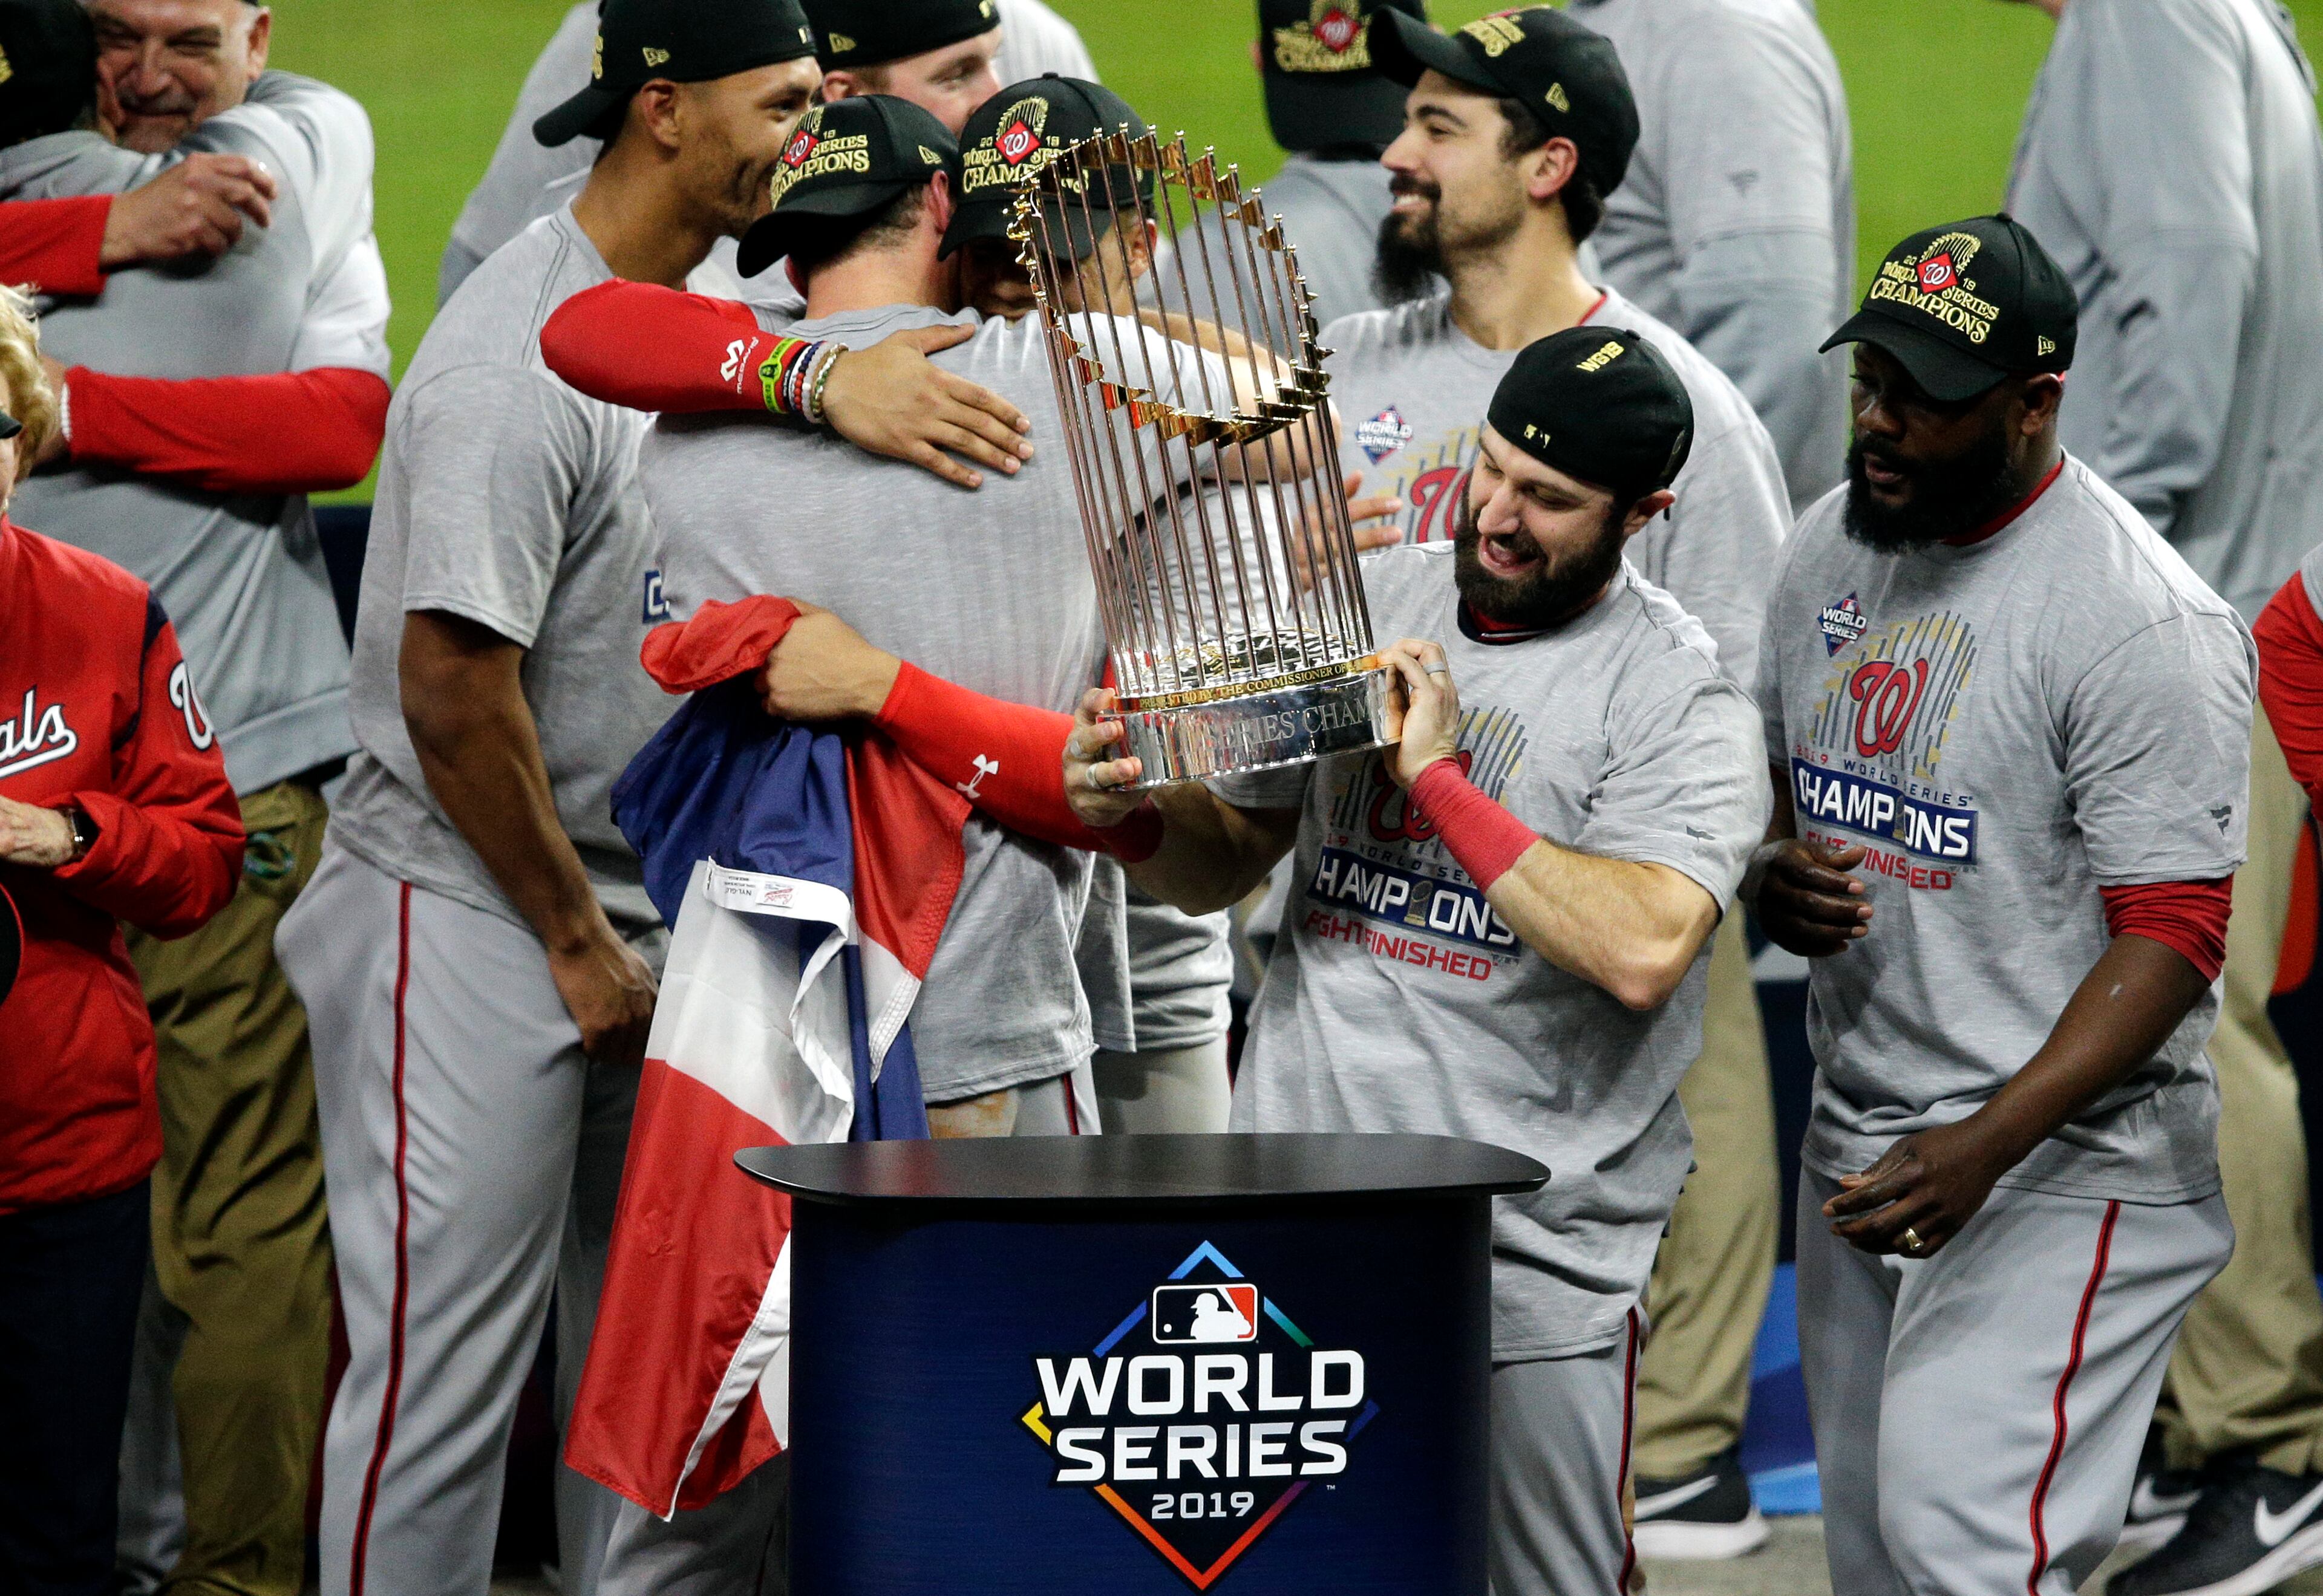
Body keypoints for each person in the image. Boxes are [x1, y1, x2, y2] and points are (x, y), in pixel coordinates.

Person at [1060, 325, 1768, 1596]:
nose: (1496, 517)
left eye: (1547, 500)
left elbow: (1647, 943)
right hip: (1295, 1216)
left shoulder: (1678, 701)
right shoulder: (1375, 604)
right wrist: (1123, 818)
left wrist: (1437, 779)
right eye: (1489, 471)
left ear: (1644, 512)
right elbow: (1228, 859)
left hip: (1526, 1264)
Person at [1316, 7, 1795, 1548]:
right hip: (1361, 980)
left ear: (1548, 165)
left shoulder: (1683, 421)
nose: (1394, 150)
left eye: (1440, 127)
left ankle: (1687, 1444)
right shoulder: (1356, 370)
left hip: (1560, 971)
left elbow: (1717, 710)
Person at [1753, 213, 2253, 1596]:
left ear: (2035, 406)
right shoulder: (1827, 550)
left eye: (1927, 398)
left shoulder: (2134, 623)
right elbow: (1774, 771)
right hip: (1870, 1138)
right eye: (1871, 382)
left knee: (1965, 1547)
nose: (1882, 423)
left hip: (2063, 1165)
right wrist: (1767, 862)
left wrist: (1981, 1144)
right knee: (1874, 1559)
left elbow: (2172, 936)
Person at [0, 2, 393, 1589]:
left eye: (191, 36)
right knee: (221, 1227)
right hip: (220, 756)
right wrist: (99, 223)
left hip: (216, 774)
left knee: (193, 1227)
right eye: (119, 35)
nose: (154, 74)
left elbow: (344, 430)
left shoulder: (282, 152)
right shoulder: (301, 151)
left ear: (260, 31)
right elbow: (331, 421)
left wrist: (67, 402)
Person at [1992, 6, 2323, 1590]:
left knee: (2201, 1025)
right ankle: (2200, 1419)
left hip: (2194, 609)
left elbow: (2190, 287)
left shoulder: (2148, 13)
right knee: (2187, 1017)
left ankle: (2263, 1441)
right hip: (2238, 586)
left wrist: (2098, 573)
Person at [0, 290, 244, 1596]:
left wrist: (59, 834)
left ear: (25, 445)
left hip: (62, 1165)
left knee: (54, 1534)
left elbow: (204, 859)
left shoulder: (105, 611)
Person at [436, 0, 1097, 305]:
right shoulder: (662, 27)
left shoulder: (1027, 40)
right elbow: (501, 278)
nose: (996, 101)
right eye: (957, 77)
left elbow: (1112, 272)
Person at [1569, 0, 1851, 518]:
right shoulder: (1637, 19)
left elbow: (1772, 341)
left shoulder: (1717, 33)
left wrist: (1651, 538)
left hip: (1664, 558)